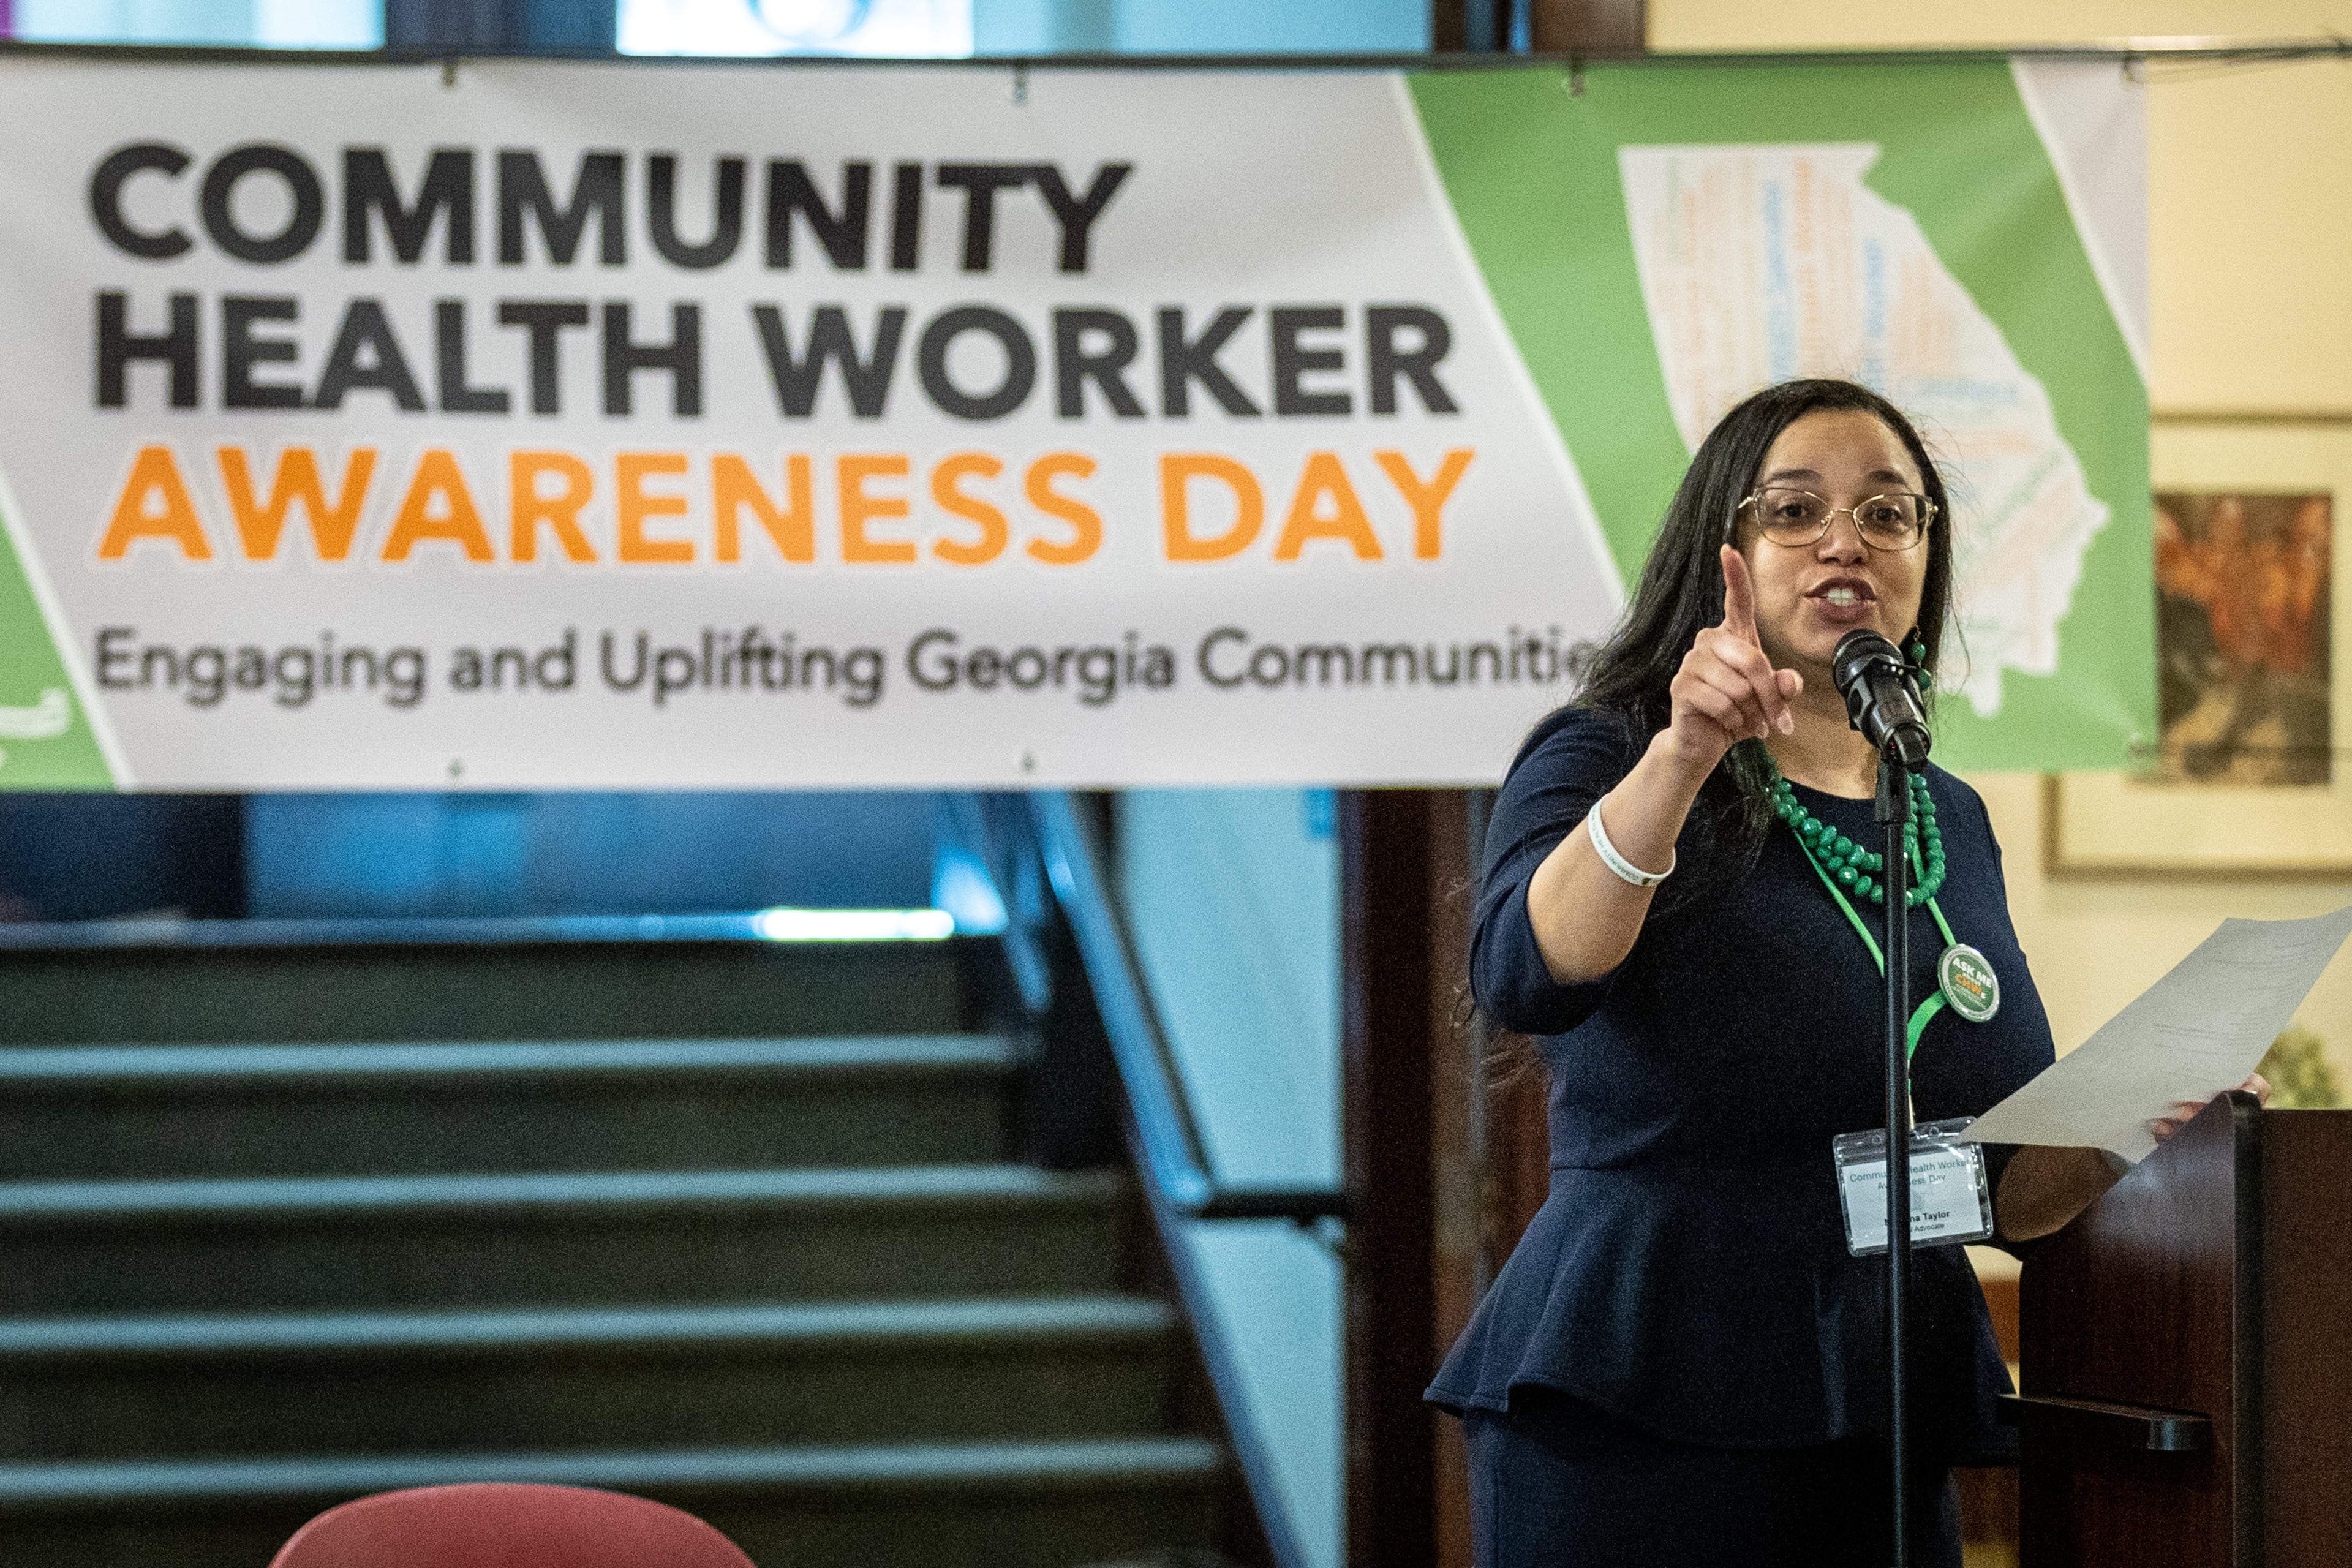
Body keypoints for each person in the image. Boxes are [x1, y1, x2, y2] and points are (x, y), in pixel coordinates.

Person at [1425, 379, 2258, 1567]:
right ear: (1726, 549)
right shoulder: (1611, 748)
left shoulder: (1943, 814)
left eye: (1887, 512)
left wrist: (2151, 1108)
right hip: (1648, 1382)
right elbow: (1525, 971)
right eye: (1796, 508)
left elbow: (2009, 1177)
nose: (1845, 541)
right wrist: (1683, 754)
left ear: (1928, 556)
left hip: (1880, 1391)